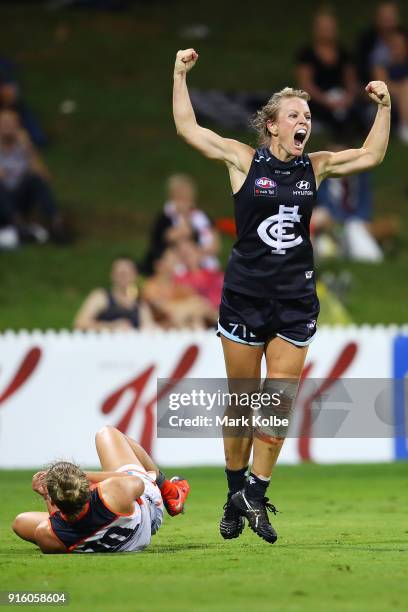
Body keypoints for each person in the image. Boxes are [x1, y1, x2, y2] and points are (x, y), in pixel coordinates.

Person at [173, 48, 390, 544]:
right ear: (271, 125)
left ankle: (256, 489)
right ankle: (234, 491)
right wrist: (179, 75)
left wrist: (385, 108)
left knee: (278, 402)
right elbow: (189, 129)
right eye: (295, 114)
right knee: (242, 402)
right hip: (245, 297)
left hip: (294, 300)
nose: (304, 122)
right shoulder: (242, 159)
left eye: (308, 116)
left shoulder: (317, 166)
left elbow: (372, 154)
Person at [12, 426, 190, 554]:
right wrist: (82, 474)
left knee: (20, 523)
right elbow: (137, 482)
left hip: (100, 538)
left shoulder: (46, 534)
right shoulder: (111, 491)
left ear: (54, 500)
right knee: (106, 433)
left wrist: (46, 496)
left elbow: (59, 523)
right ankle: (172, 494)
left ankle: (59, 500)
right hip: (147, 520)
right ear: (83, 486)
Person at [296, 8, 363, 138]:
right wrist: (326, 101)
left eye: (330, 28)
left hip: (341, 97)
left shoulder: (344, 53)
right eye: (324, 28)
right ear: (316, 29)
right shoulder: (307, 54)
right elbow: (306, 84)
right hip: (317, 98)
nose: (327, 31)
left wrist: (348, 98)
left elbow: (351, 81)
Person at [0, 110, 64, 243]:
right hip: (3, 201)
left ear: (18, 126)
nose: (7, 127)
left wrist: (29, 150)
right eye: (4, 123)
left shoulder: (23, 146)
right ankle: (19, 226)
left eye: (11, 123)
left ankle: (57, 224)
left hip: (20, 197)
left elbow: (45, 177)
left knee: (35, 179)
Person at [142, 173, 220, 275]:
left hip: (200, 259)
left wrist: (200, 253)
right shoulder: (164, 218)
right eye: (180, 197)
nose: (185, 201)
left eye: (187, 197)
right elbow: (175, 236)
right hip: (172, 260)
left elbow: (214, 244)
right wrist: (184, 218)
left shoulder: (202, 217)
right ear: (172, 196)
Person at [143, 246, 217, 329]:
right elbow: (164, 309)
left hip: (183, 326)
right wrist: (188, 307)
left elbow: (202, 304)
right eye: (171, 259)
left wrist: (183, 309)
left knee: (196, 319)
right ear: (158, 264)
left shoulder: (179, 286)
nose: (175, 262)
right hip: (159, 332)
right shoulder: (150, 287)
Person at [74, 255, 154, 331]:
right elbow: (80, 323)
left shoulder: (140, 304)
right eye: (120, 273)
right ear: (112, 274)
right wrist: (111, 327)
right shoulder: (101, 296)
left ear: (135, 276)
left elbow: (148, 327)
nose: (123, 277)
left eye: (127, 273)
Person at [372, 28, 408, 142]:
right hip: (389, 101)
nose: (396, 48)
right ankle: (404, 126)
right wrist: (402, 91)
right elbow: (381, 86)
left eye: (399, 45)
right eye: (394, 45)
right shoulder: (382, 64)